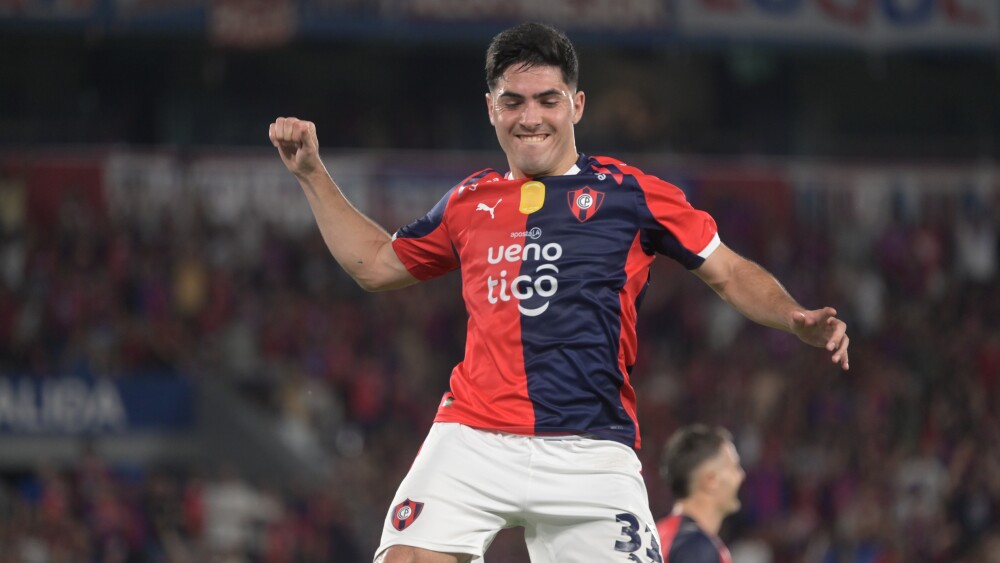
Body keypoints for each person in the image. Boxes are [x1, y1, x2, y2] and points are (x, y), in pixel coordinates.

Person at [269, 21, 849, 563]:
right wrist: (312, 174)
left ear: (577, 105)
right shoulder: (468, 201)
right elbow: (375, 264)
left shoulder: (631, 194)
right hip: (474, 437)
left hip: (590, 451)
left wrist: (791, 315)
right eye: (514, 102)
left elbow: (728, 271)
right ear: (491, 108)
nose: (531, 118)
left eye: (548, 100)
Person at [657, 425, 744, 563]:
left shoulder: (660, 534)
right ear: (711, 481)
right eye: (734, 467)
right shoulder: (696, 547)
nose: (741, 476)